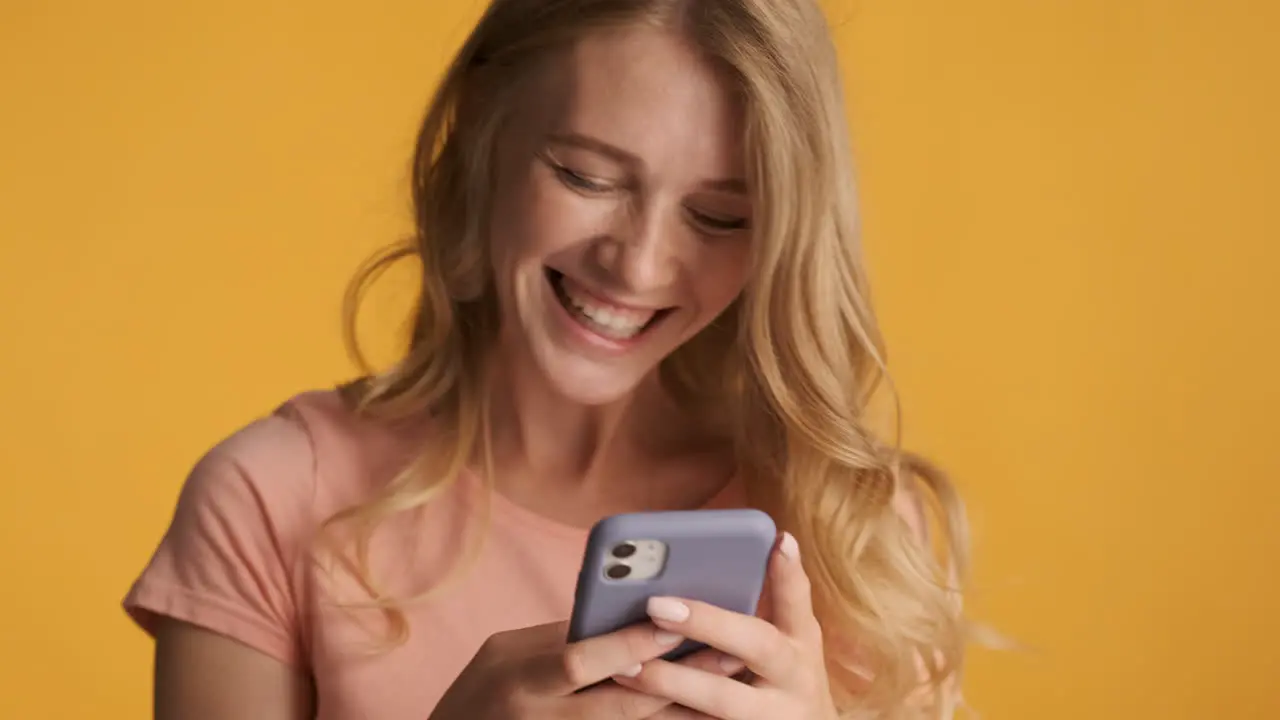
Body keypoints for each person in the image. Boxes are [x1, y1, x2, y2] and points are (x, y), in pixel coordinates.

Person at [123, 0, 971, 718]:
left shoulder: (853, 531)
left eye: (717, 217)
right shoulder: (273, 500)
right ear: (481, 131)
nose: (637, 266)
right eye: (586, 176)